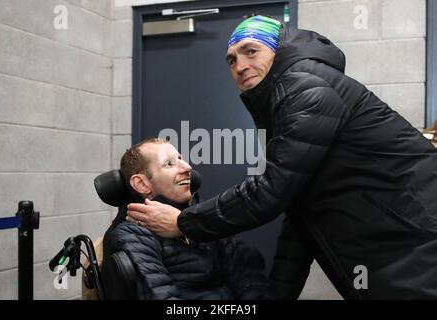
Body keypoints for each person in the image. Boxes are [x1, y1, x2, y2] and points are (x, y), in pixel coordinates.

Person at [127, 15, 437, 300]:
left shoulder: (304, 86)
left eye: (252, 51)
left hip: (415, 242)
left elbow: (271, 191)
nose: (239, 65)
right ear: (140, 182)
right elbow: (300, 216)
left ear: (279, 50)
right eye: (232, 59)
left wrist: (184, 223)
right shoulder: (132, 235)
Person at [102, 138, 272, 300]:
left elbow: (249, 277)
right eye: (169, 163)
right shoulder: (131, 235)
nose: (188, 167)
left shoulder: (206, 217)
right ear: (142, 184)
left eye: (181, 159)